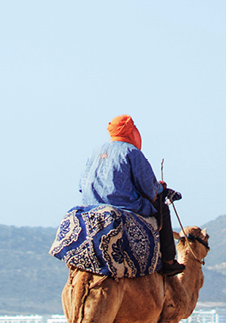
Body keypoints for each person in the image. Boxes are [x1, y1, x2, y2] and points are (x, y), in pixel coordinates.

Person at [79, 115, 185, 276]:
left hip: (91, 207)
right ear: (131, 131)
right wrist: (161, 189)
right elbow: (150, 188)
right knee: (163, 209)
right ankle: (169, 262)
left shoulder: (96, 151)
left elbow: (82, 186)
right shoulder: (132, 152)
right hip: (124, 207)